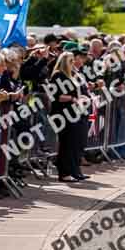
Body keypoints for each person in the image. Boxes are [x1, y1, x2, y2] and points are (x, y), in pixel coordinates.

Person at [48, 52, 91, 182]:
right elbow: (56, 96)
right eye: (71, 61)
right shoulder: (58, 75)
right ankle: (64, 173)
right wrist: (73, 99)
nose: (74, 63)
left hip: (74, 113)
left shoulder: (72, 75)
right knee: (66, 144)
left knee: (75, 143)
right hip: (62, 114)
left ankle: (75, 170)